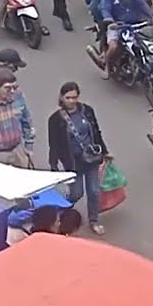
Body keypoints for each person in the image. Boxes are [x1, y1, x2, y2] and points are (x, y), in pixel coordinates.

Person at [47, 81, 110, 235]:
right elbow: (54, 144)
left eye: (74, 97)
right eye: (68, 98)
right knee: (76, 193)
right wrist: (53, 164)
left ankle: (93, 221)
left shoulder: (87, 111)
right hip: (73, 162)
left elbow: (96, 132)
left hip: (91, 158)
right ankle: (60, 213)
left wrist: (104, 151)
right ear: (61, 98)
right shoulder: (55, 119)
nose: (71, 101)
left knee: (94, 191)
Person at [97, 0, 153, 79]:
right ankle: (107, 66)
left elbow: (141, 3)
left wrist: (152, 16)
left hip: (133, 24)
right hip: (117, 25)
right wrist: (109, 20)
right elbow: (105, 8)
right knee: (113, 46)